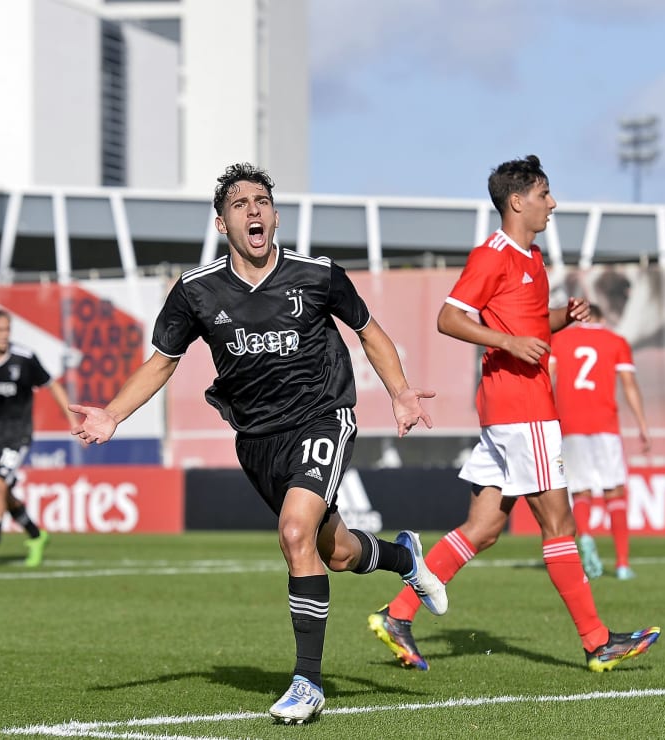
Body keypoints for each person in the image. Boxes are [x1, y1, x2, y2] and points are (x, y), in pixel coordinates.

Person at [71, 163, 447, 725]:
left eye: (262, 201)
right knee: (335, 551)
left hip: (322, 416)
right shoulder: (196, 291)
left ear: (274, 215)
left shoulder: (316, 275)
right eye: (240, 203)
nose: (253, 209)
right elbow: (160, 364)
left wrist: (400, 394)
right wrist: (112, 415)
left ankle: (308, 682)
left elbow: (368, 331)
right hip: (256, 440)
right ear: (221, 222)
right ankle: (404, 556)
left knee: (294, 531)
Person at [368, 155, 659, 673]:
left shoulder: (532, 257)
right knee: (559, 523)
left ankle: (398, 613)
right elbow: (449, 317)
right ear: (517, 201)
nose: (553, 203)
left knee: (483, 528)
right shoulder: (494, 254)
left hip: (507, 410)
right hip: (523, 409)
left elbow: (530, 328)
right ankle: (596, 642)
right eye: (545, 194)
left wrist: (561, 320)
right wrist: (506, 340)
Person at [0, 309, 76, 571]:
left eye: (7, 330)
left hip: (18, 436)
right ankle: (35, 535)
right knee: (4, 492)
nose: (3, 335)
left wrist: (72, 419)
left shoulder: (24, 358)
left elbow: (52, 385)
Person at [549, 303, 651, 580]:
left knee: (581, 492)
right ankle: (621, 564)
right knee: (614, 492)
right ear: (602, 317)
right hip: (605, 426)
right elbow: (629, 383)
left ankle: (585, 537)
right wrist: (642, 424)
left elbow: (549, 377)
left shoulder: (560, 339)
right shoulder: (615, 341)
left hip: (570, 426)